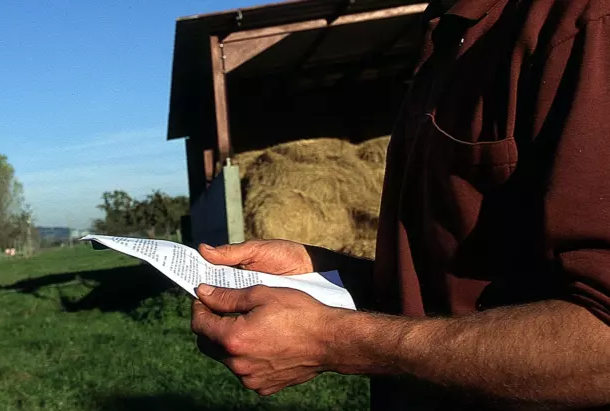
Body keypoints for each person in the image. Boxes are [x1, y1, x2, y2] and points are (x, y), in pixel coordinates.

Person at [189, 0, 610, 409]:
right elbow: (461, 283)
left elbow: (600, 345)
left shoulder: (582, 21)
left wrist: (333, 340)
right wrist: (325, 275)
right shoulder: (445, 33)